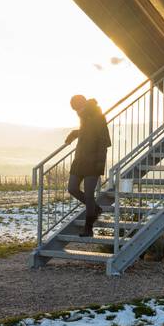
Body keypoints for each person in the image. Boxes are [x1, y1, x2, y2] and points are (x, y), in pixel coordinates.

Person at [65, 94, 111, 236]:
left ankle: (88, 228)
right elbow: (88, 133)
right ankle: (95, 209)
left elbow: (104, 141)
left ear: (83, 105)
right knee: (72, 188)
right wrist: (75, 133)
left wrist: (99, 164)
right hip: (80, 160)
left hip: (93, 162)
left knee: (89, 195)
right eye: (75, 110)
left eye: (78, 108)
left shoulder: (98, 116)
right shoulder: (84, 117)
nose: (77, 112)